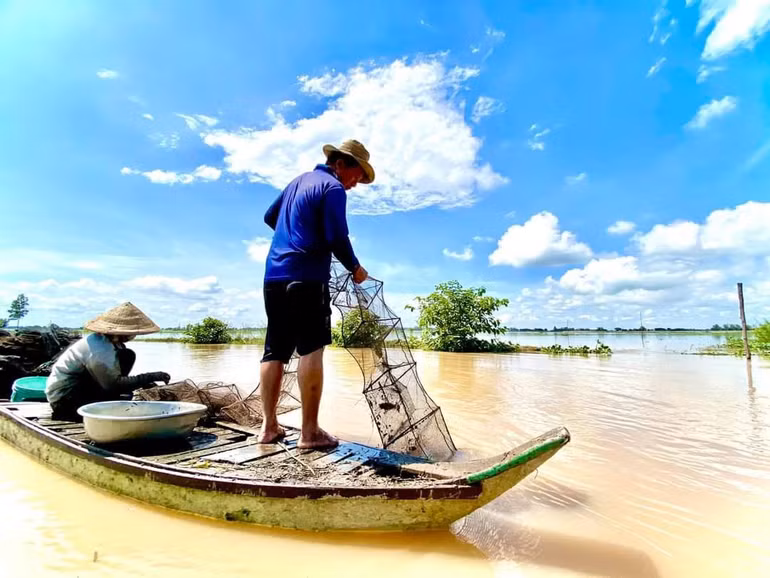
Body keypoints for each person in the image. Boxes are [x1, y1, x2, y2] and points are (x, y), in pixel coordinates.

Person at [258, 139, 374, 449]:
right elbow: (337, 235)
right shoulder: (332, 187)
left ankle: (268, 427)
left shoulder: (296, 182)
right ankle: (309, 433)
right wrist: (355, 267)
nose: (355, 184)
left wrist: (294, 231)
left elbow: (271, 217)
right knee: (312, 348)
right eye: (357, 176)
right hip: (307, 277)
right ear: (341, 164)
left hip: (274, 276)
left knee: (275, 349)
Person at [46, 302, 171, 421]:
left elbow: (113, 372)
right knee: (123, 397)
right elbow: (113, 384)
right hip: (65, 400)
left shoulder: (110, 343)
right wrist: (151, 377)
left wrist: (144, 383)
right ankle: (70, 413)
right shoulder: (99, 349)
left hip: (83, 389)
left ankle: (107, 399)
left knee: (127, 355)